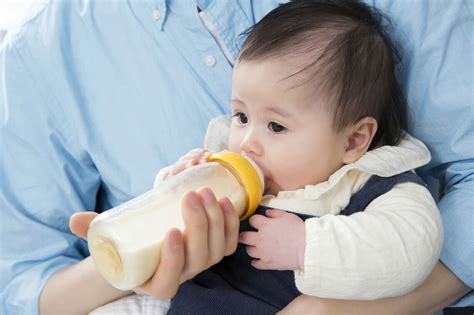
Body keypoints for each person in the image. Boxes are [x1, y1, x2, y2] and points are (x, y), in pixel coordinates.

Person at [0, 0, 471, 314]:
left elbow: (410, 244)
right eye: (240, 116)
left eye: (277, 126)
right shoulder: (40, 52)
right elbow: (22, 281)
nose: (246, 142)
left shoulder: (375, 184)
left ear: (353, 141)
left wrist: (311, 252)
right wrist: (173, 191)